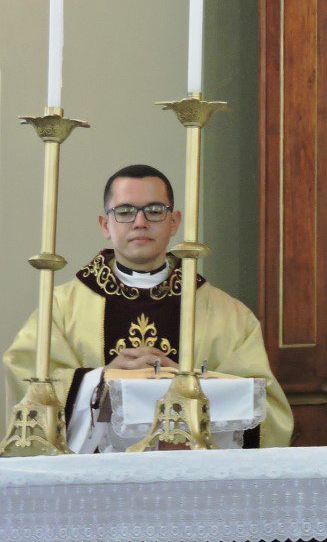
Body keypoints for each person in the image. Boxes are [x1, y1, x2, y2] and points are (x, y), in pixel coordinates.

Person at [3, 164, 293, 452]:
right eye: (125, 211)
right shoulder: (61, 308)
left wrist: (189, 385)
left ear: (174, 222)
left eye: (154, 210)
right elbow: (26, 382)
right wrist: (100, 381)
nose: (140, 222)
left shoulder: (227, 314)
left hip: (190, 485)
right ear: (106, 224)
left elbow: (265, 406)